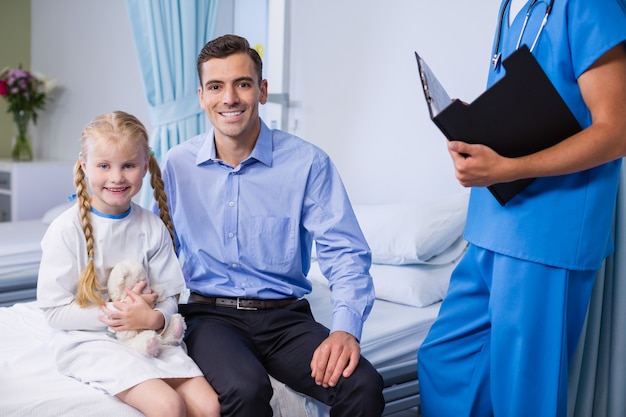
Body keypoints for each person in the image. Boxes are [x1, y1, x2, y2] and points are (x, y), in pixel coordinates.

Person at [155, 34, 385, 416]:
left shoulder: (308, 164)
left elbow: (345, 253)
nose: (229, 98)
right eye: (216, 86)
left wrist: (345, 329)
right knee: (246, 389)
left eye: (242, 84)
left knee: (363, 384)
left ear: (261, 91)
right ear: (201, 96)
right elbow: (155, 246)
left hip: (285, 321)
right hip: (211, 318)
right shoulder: (177, 164)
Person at [417, 0, 626, 416]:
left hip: (547, 235)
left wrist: (510, 167)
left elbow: (616, 130)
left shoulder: (588, 5)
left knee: (524, 396)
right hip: (492, 223)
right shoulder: (513, 6)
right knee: (443, 363)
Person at [36, 111, 220, 417]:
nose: (117, 177)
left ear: (145, 167)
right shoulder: (66, 229)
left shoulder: (151, 226)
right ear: (84, 166)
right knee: (168, 406)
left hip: (147, 334)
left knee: (209, 406)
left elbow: (171, 297)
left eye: (129, 165)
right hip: (90, 339)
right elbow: (55, 312)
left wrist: (153, 319)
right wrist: (122, 315)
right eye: (104, 166)